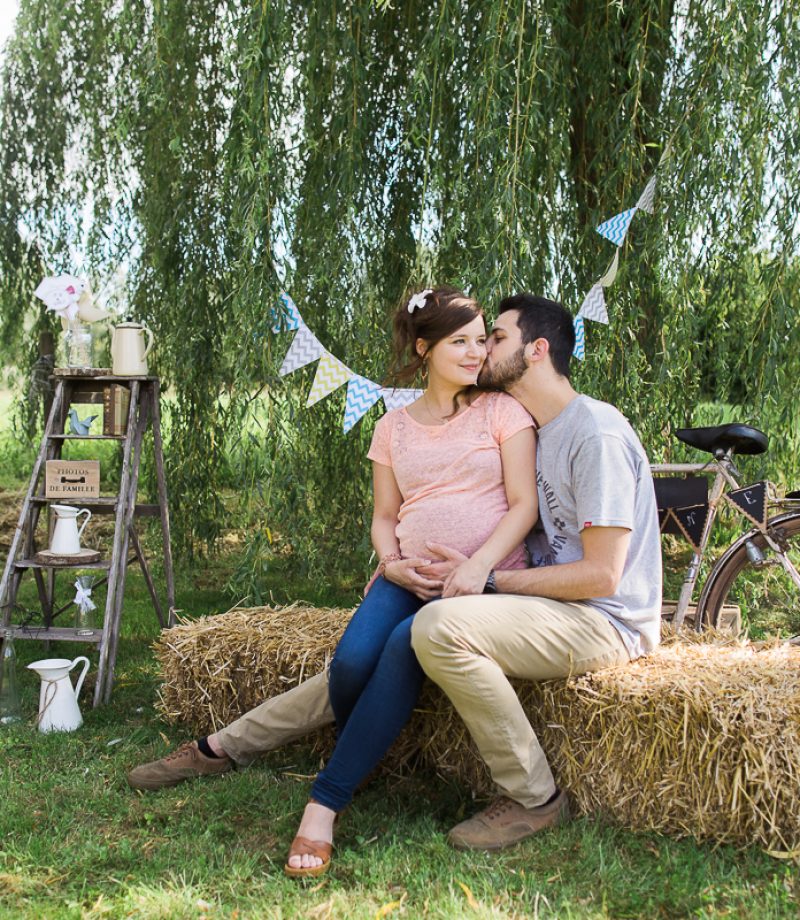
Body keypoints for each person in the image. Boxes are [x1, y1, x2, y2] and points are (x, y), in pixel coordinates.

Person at [127, 293, 661, 858]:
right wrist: (399, 563)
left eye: (493, 338)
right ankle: (221, 746)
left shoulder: (590, 433)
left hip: (599, 618)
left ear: (537, 350)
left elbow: (602, 575)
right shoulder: (541, 426)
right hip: (523, 601)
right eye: (469, 339)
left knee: (426, 634)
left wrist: (485, 578)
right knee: (366, 662)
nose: (481, 350)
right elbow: (405, 507)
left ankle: (529, 797)